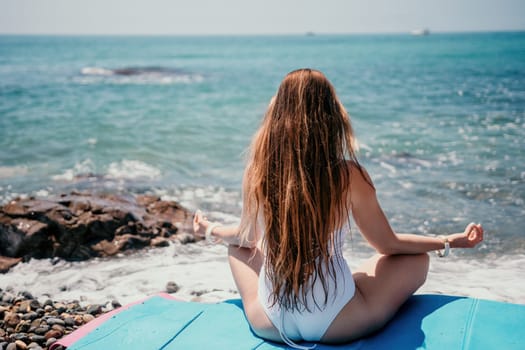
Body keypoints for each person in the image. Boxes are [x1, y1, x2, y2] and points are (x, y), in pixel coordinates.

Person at [193, 68, 483, 348]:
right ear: (330, 116)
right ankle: (342, 288)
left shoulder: (258, 171)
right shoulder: (348, 175)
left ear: (277, 114)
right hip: (339, 323)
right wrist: (447, 242)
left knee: (237, 249)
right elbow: (388, 245)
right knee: (417, 259)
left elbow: (247, 238)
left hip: (270, 323)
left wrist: (210, 230)